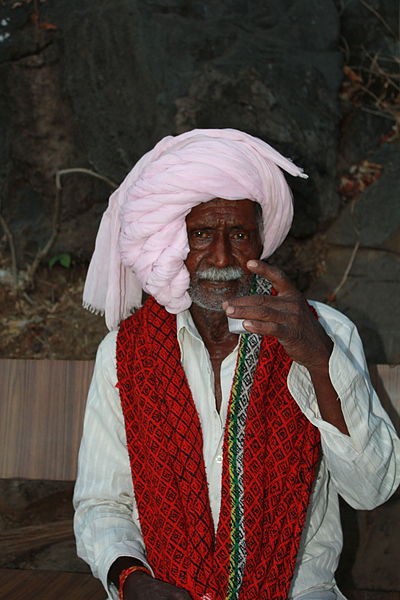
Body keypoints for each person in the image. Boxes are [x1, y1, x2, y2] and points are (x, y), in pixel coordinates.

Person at [73, 128, 400, 600]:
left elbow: (373, 490)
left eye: (240, 235)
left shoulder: (322, 332)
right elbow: (102, 503)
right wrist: (131, 579)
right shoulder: (127, 353)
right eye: (201, 234)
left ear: (261, 242)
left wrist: (315, 356)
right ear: (169, 243)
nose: (223, 257)